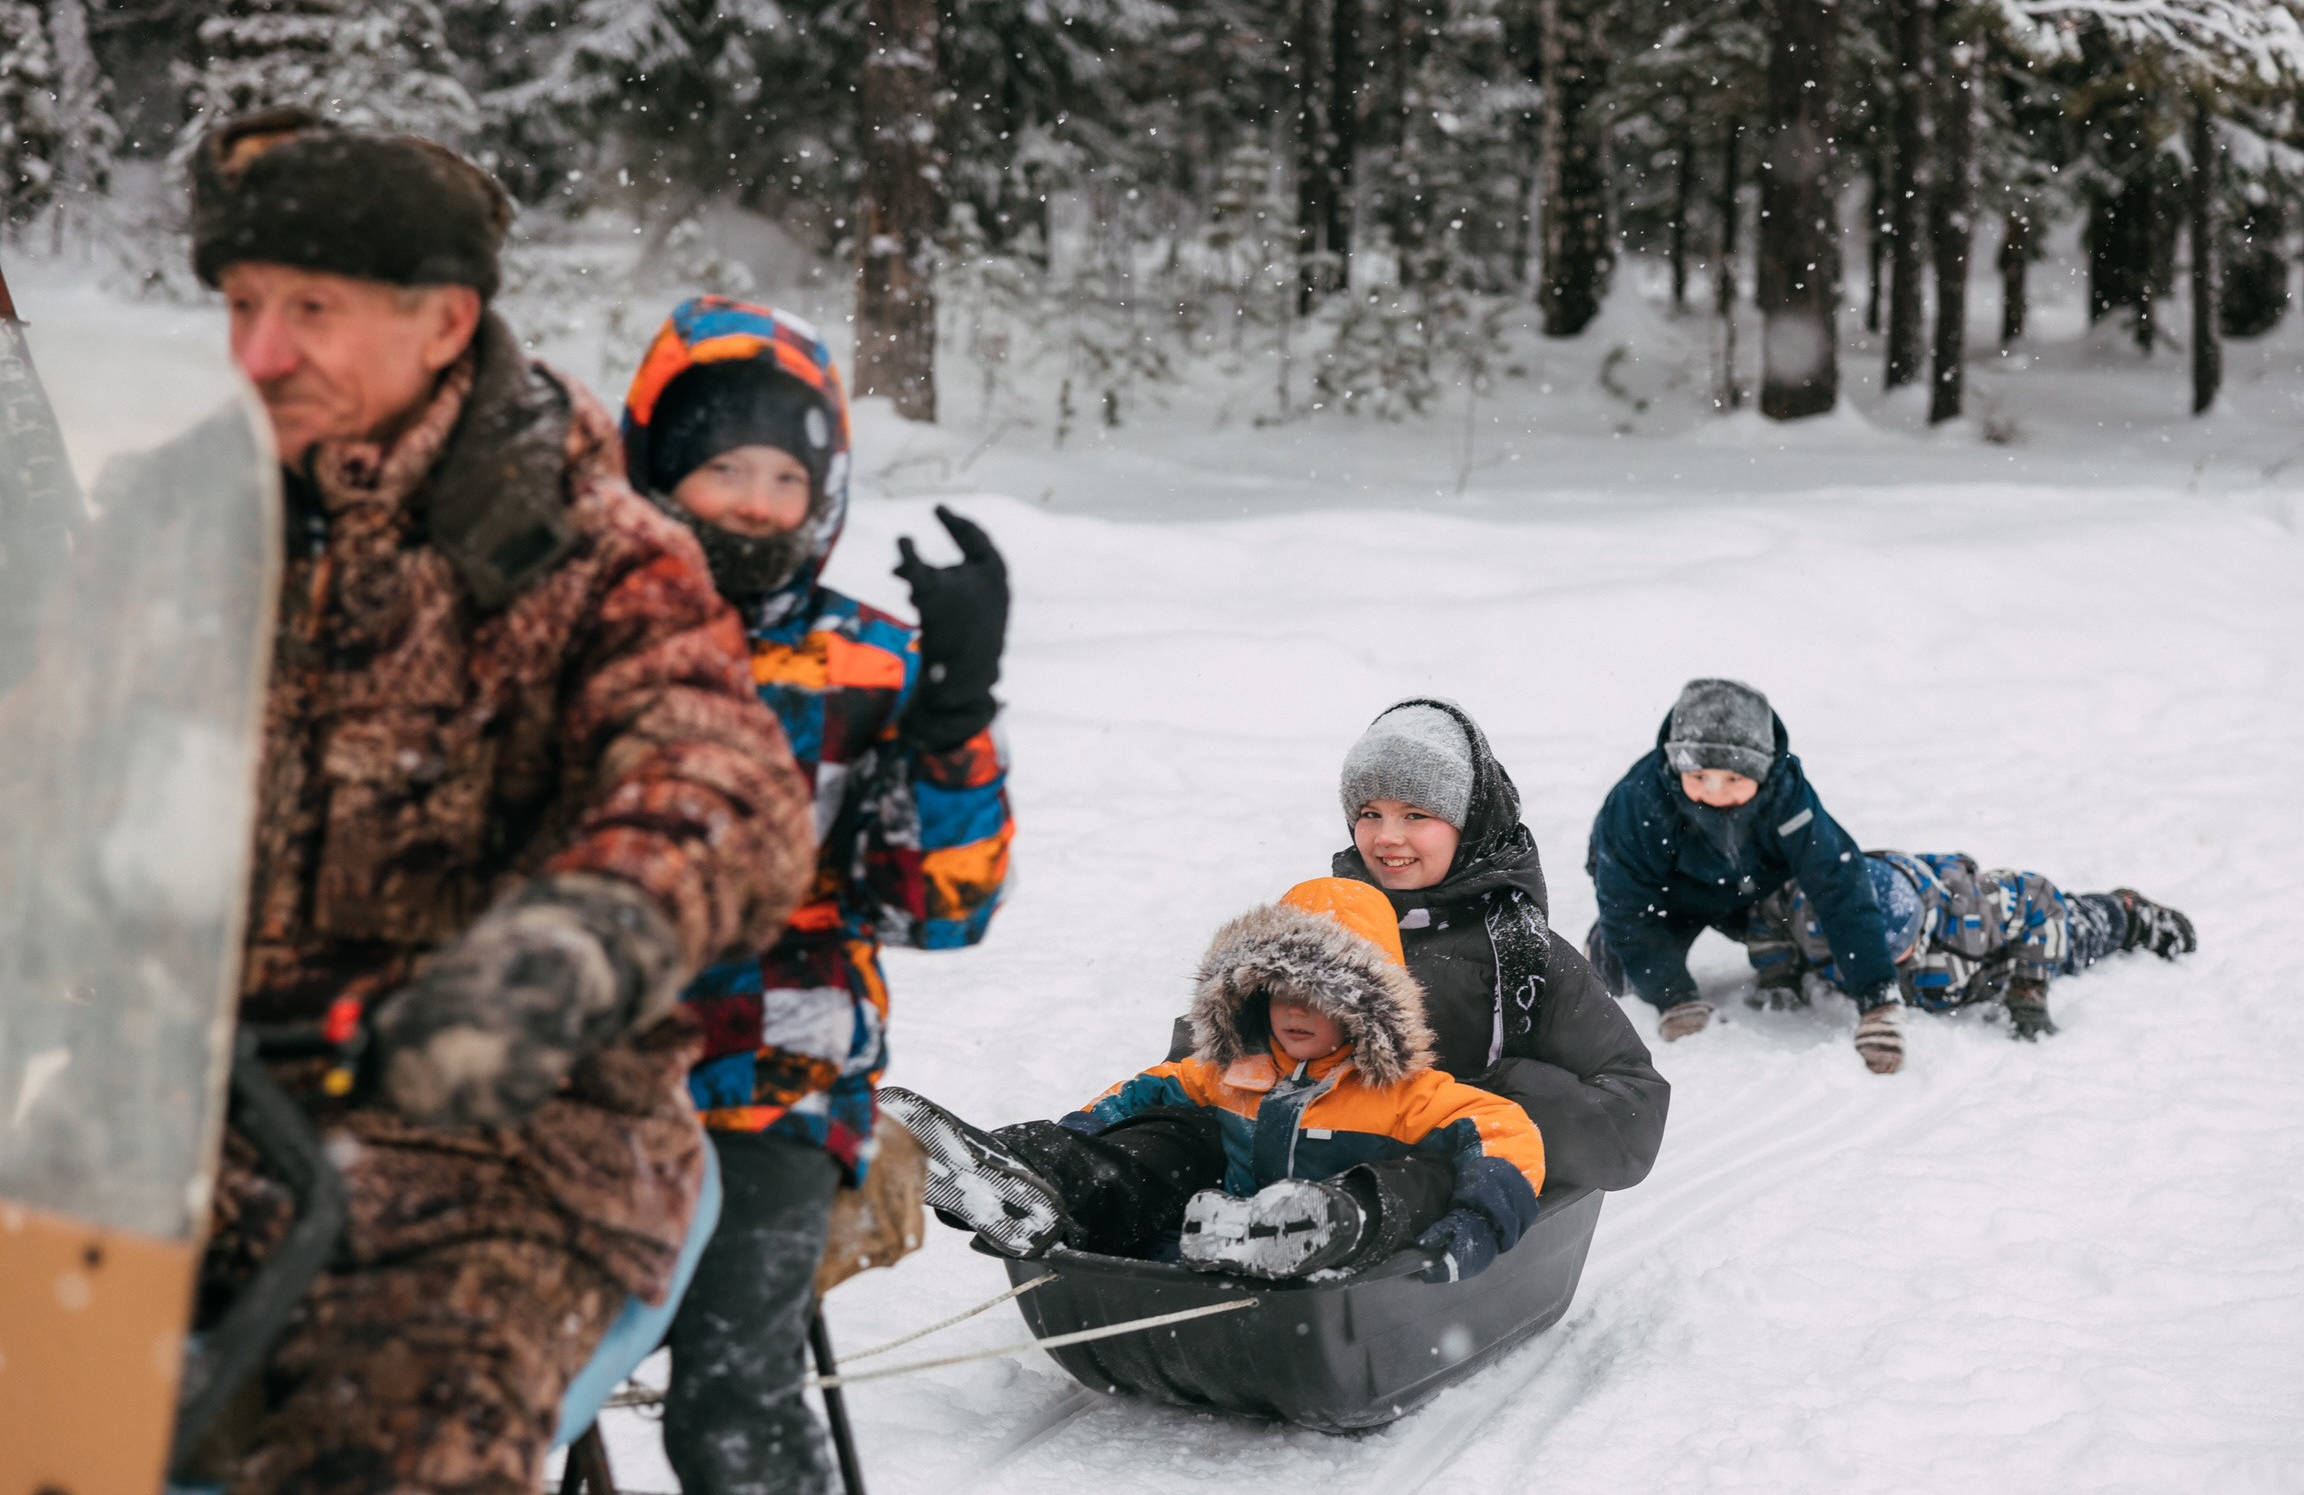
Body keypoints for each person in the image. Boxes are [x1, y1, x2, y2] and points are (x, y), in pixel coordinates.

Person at [185, 109, 815, 1495]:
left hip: (505, 1151)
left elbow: (723, 779)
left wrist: (566, 951)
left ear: (444, 323)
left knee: (386, 1449)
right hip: (173, 1127)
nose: (260, 352)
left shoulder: (585, 550)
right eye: (240, 306)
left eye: (312, 310)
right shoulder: (183, 519)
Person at [617, 296, 1014, 1495]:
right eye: (719, 466)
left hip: (770, 1083)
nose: (749, 499)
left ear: (823, 491)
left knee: (730, 1403)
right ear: (656, 472)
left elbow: (943, 906)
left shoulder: (867, 664)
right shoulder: (581, 639)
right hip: (573, 1065)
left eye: (781, 476)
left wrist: (950, 720)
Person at [885, 878, 1545, 1284]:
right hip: (1213, 1239)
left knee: (1397, 1184)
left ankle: (1308, 1228)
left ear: (1365, 1010)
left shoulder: (1404, 1093)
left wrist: (1480, 1217)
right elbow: (1144, 1093)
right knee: (1163, 1142)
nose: (1294, 1010)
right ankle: (1031, 1181)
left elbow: (1503, 1129)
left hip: (1336, 1258)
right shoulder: (1237, 1073)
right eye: (1282, 991)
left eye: (1320, 997)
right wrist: (1070, 1141)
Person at [1318, 697, 1669, 1193]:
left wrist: (1485, 1099)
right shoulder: (1318, 930)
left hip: (1460, 1212)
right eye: (1370, 813)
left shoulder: (1522, 956)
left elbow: (1632, 1124)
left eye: (1416, 814)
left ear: (1470, 824)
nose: (1386, 837)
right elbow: (1209, 1066)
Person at [1584, 678, 1903, 1070]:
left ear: (1761, 770)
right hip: (1672, 899)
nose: (1716, 793)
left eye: (1734, 779)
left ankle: (1785, 957)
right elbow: (1627, 904)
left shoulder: (1787, 795)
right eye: (1699, 777)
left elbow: (1839, 882)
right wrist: (1675, 997)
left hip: (1758, 896)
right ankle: (1609, 951)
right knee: (1617, 973)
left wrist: (1877, 998)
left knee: (1826, 924)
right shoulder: (1638, 800)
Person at [1750, 850, 2196, 1056]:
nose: (1878, 967)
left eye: (1893, 953)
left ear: (1917, 932)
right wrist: (1778, 974)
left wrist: (2028, 989)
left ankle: (2131, 914)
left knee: (2078, 938)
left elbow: (2042, 899)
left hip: (2005, 955)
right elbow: (1764, 914)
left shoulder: (1973, 913)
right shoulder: (1812, 913)